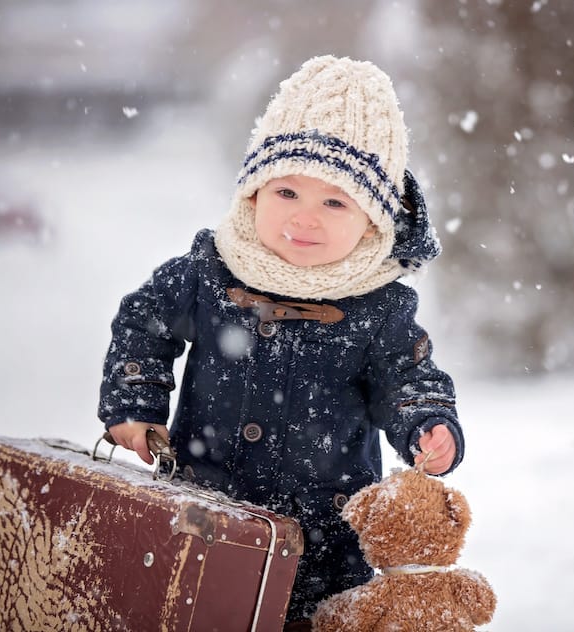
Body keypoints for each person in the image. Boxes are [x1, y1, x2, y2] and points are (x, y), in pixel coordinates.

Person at [97, 55, 464, 626]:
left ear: (373, 222)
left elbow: (407, 378)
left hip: (321, 544)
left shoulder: (380, 306)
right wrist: (134, 405)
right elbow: (143, 324)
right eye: (286, 193)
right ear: (253, 193)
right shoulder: (211, 270)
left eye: (335, 202)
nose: (305, 219)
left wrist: (427, 422)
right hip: (203, 514)